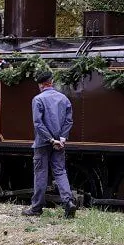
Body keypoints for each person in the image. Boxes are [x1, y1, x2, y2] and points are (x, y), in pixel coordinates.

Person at [22, 71, 77, 218]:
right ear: (51, 82)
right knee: (60, 172)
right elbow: (69, 121)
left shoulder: (38, 99)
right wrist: (62, 138)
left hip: (42, 143)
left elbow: (38, 124)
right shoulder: (64, 99)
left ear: (41, 85)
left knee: (41, 174)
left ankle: (36, 208)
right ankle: (69, 202)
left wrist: (51, 140)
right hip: (59, 143)